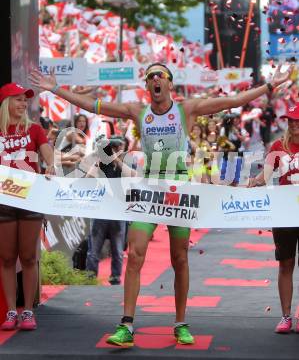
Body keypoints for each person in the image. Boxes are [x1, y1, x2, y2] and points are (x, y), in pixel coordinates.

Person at [29, 62, 293, 346]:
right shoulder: (137, 112)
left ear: (169, 84)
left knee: (179, 259)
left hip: (179, 190)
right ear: (147, 86)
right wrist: (56, 89)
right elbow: (95, 106)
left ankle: (180, 322)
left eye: (160, 76)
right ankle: (126, 325)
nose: (155, 80)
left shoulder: (186, 109)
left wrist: (270, 86)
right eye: (150, 77)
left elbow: (233, 100)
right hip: (149, 189)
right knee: (136, 254)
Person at [0, 83, 54, 331]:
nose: (23, 104)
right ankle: (12, 311)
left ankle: (28, 311)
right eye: (18, 99)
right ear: (6, 103)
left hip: (30, 198)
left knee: (29, 257)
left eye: (25, 100)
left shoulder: (34, 129)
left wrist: (51, 165)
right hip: (3, 201)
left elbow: (47, 155)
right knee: (7, 257)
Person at [248, 103, 299, 334]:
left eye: (297, 120)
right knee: (286, 263)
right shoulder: (279, 146)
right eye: (290, 120)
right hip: (285, 213)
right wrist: (249, 183)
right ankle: (286, 316)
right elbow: (265, 176)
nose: (293, 124)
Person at [85, 135, 128, 285]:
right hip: (101, 211)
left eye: (119, 148)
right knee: (94, 250)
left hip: (118, 212)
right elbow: (87, 179)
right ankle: (90, 278)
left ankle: (115, 277)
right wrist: (98, 162)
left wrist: (117, 160)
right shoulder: (101, 164)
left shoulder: (127, 163)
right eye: (114, 148)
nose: (116, 151)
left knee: (118, 250)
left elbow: (134, 176)